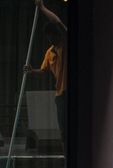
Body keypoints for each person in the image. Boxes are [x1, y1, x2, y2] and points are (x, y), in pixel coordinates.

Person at [24, 0, 68, 149]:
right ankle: (67, 158)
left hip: (71, 93)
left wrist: (42, 8)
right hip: (60, 95)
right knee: (64, 131)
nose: (51, 39)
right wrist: (32, 71)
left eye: (53, 36)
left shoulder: (65, 44)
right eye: (49, 37)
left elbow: (58, 23)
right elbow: (43, 71)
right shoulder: (49, 52)